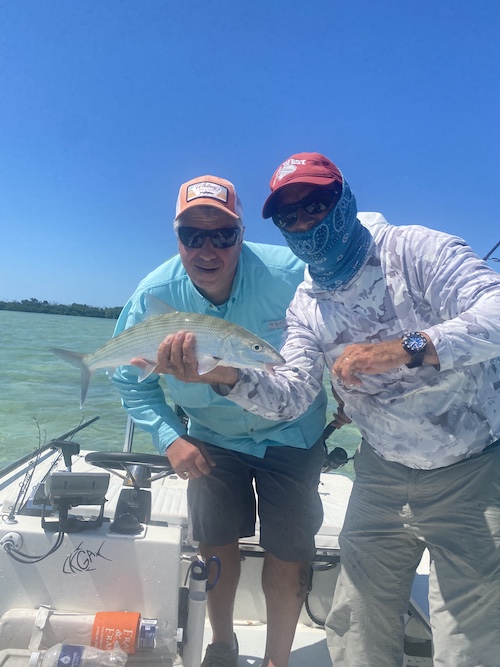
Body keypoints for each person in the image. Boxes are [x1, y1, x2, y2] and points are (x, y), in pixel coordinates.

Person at [158, 153, 500, 667]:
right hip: (382, 472)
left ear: (345, 200)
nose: (303, 223)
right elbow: (292, 395)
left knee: (469, 644)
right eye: (288, 216)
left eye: (316, 205)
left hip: (473, 470)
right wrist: (224, 376)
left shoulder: (415, 249)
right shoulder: (306, 303)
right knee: (355, 629)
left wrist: (404, 348)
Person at [111, 174, 328, 667]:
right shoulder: (154, 293)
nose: (207, 250)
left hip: (293, 432)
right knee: (214, 540)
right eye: (193, 235)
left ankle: (276, 660)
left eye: (223, 235)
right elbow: (131, 380)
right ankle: (222, 644)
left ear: (242, 234)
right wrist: (170, 438)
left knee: (290, 550)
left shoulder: (292, 274)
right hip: (210, 435)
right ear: (177, 238)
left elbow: (336, 333)